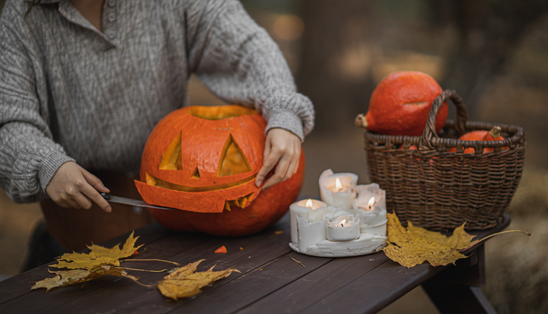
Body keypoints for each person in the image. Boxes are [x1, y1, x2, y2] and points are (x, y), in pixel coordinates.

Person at [0, 0, 314, 257]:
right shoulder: (22, 16)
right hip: (81, 206)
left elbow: (247, 46)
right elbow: (9, 118)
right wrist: (47, 165)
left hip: (172, 216)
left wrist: (283, 108)